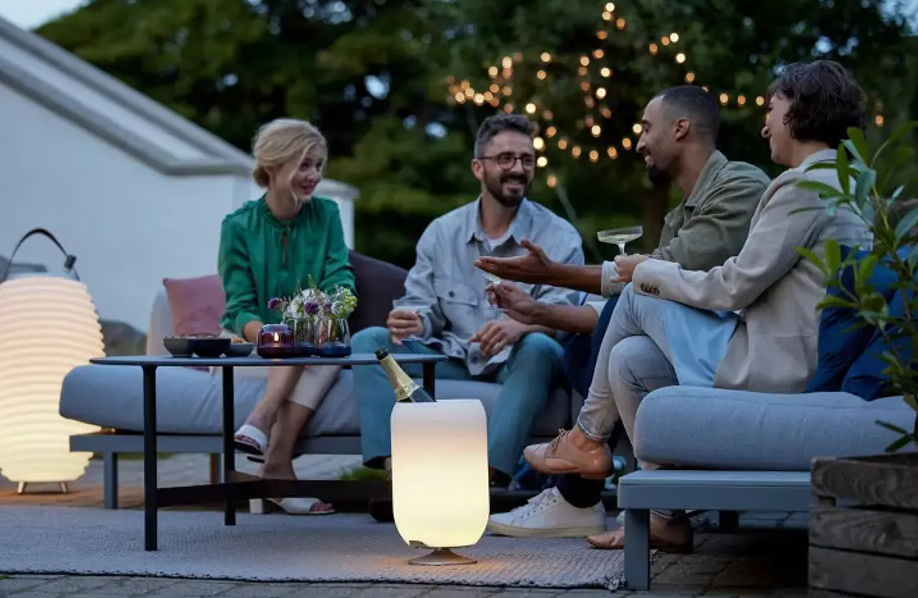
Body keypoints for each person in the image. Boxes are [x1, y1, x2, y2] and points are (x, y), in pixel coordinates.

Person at [522, 60, 872, 551]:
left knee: (637, 294)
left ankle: (586, 439)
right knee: (629, 359)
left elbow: (734, 286)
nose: (765, 127)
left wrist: (646, 271)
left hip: (777, 367)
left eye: (771, 111)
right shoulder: (849, 184)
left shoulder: (804, 187)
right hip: (791, 353)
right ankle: (664, 517)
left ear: (799, 110)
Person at [476, 85, 770, 537]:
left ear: (680, 128)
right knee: (600, 348)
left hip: (743, 352)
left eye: (647, 129)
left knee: (630, 303)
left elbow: (660, 275)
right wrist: (536, 310)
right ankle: (659, 513)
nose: (639, 143)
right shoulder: (682, 213)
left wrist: (553, 274)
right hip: (699, 343)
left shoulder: (740, 185)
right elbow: (635, 302)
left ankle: (581, 475)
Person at [350, 113, 586, 487]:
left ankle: (489, 479)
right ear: (479, 167)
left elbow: (567, 315)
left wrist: (519, 326)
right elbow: (421, 306)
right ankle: (398, 472)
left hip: (521, 359)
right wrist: (414, 320)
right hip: (453, 355)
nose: (518, 168)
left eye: (526, 160)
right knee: (369, 343)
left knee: (540, 347)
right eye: (505, 158)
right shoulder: (441, 232)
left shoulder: (559, 236)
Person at [217, 118, 355, 515]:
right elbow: (237, 306)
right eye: (304, 165)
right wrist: (271, 334)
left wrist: (327, 311)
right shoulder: (237, 226)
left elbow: (340, 278)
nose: (314, 176)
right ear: (274, 166)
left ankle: (263, 424)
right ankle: (277, 465)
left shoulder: (327, 214)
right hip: (249, 342)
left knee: (316, 330)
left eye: (318, 165)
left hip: (316, 337)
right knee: (306, 342)